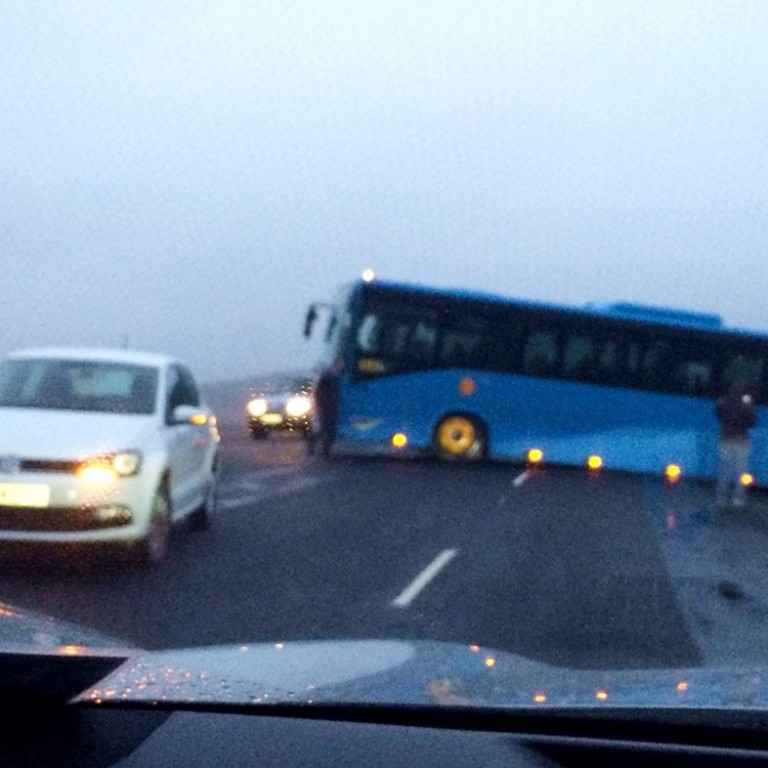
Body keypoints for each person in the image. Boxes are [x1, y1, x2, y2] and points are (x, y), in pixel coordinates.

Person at [714, 379, 758, 507]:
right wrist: (748, 405)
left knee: (724, 471)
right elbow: (752, 421)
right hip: (741, 441)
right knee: (740, 472)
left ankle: (721, 498)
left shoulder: (723, 401)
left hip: (725, 439)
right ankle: (738, 499)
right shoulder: (746, 402)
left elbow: (717, 414)